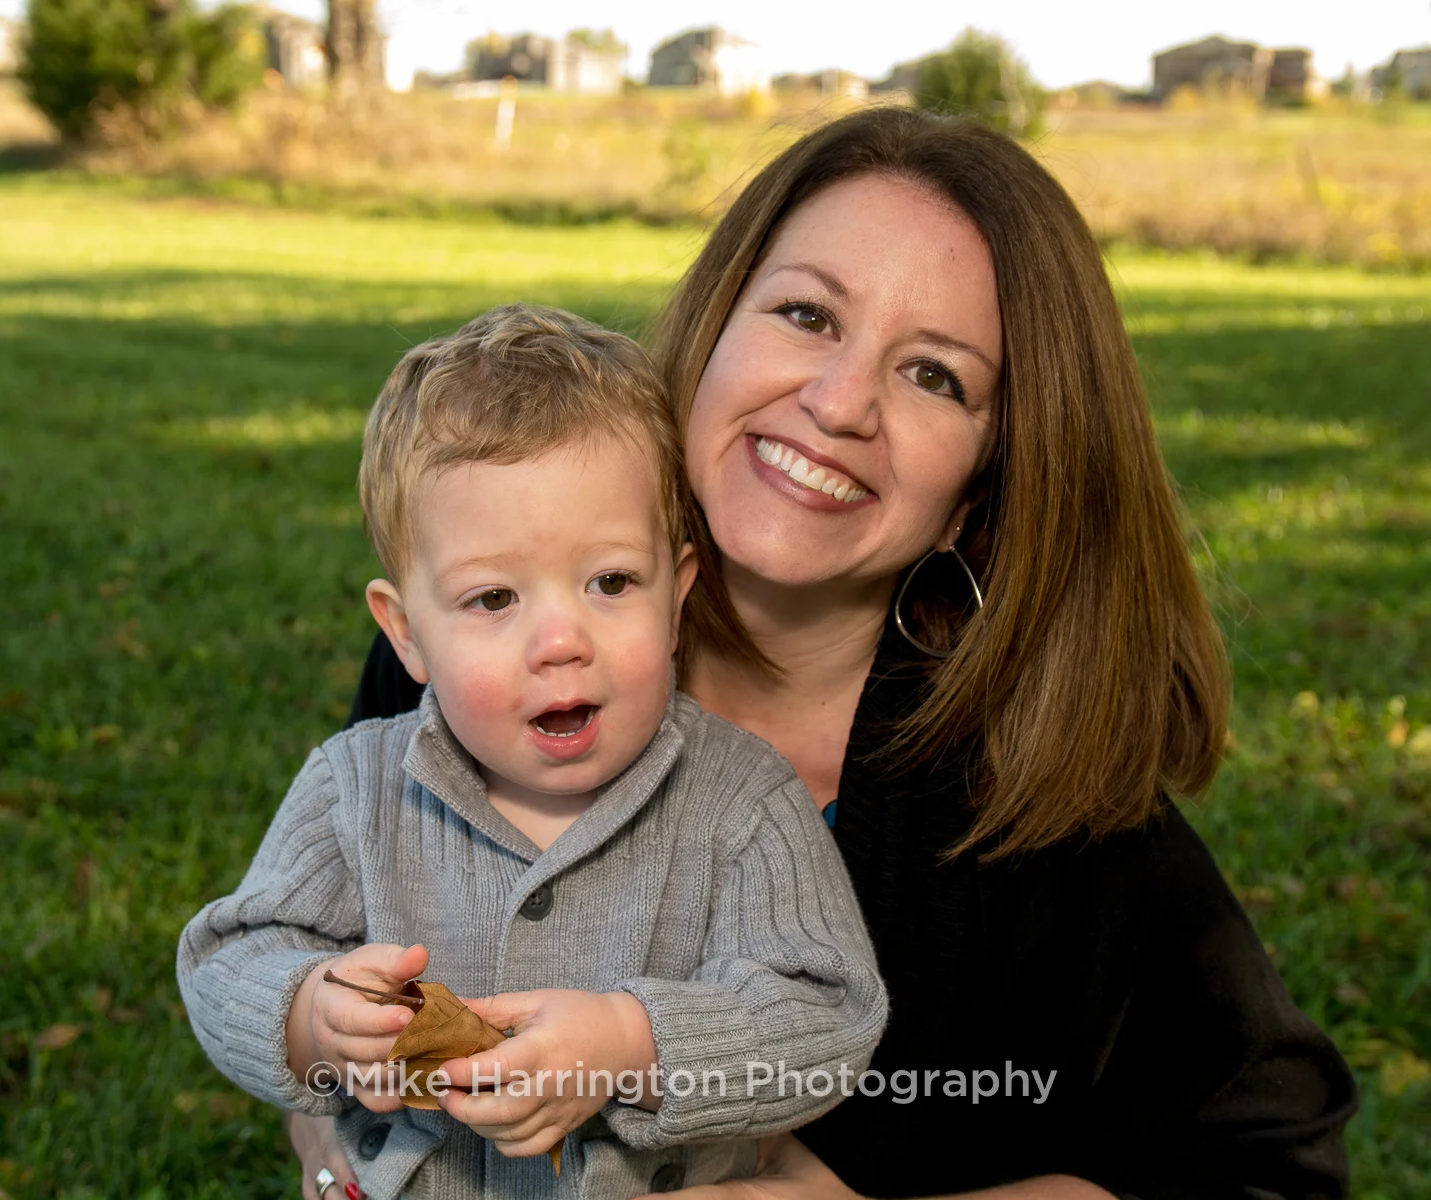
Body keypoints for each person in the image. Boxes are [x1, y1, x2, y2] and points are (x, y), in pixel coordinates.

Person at [291, 108, 1358, 1200]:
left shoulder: (1047, 809)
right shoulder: (481, 658)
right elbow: (311, 971)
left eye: (934, 375)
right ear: (715, 327)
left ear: (982, 488)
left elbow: (1273, 1173)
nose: (841, 404)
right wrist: (333, 1154)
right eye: (807, 315)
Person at [177, 305, 889, 1200]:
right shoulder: (356, 787)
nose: (561, 641)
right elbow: (228, 958)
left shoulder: (740, 802)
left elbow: (828, 1019)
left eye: (611, 582)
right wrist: (311, 1015)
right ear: (406, 634)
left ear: (677, 597)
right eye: (493, 599)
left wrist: (632, 1046)